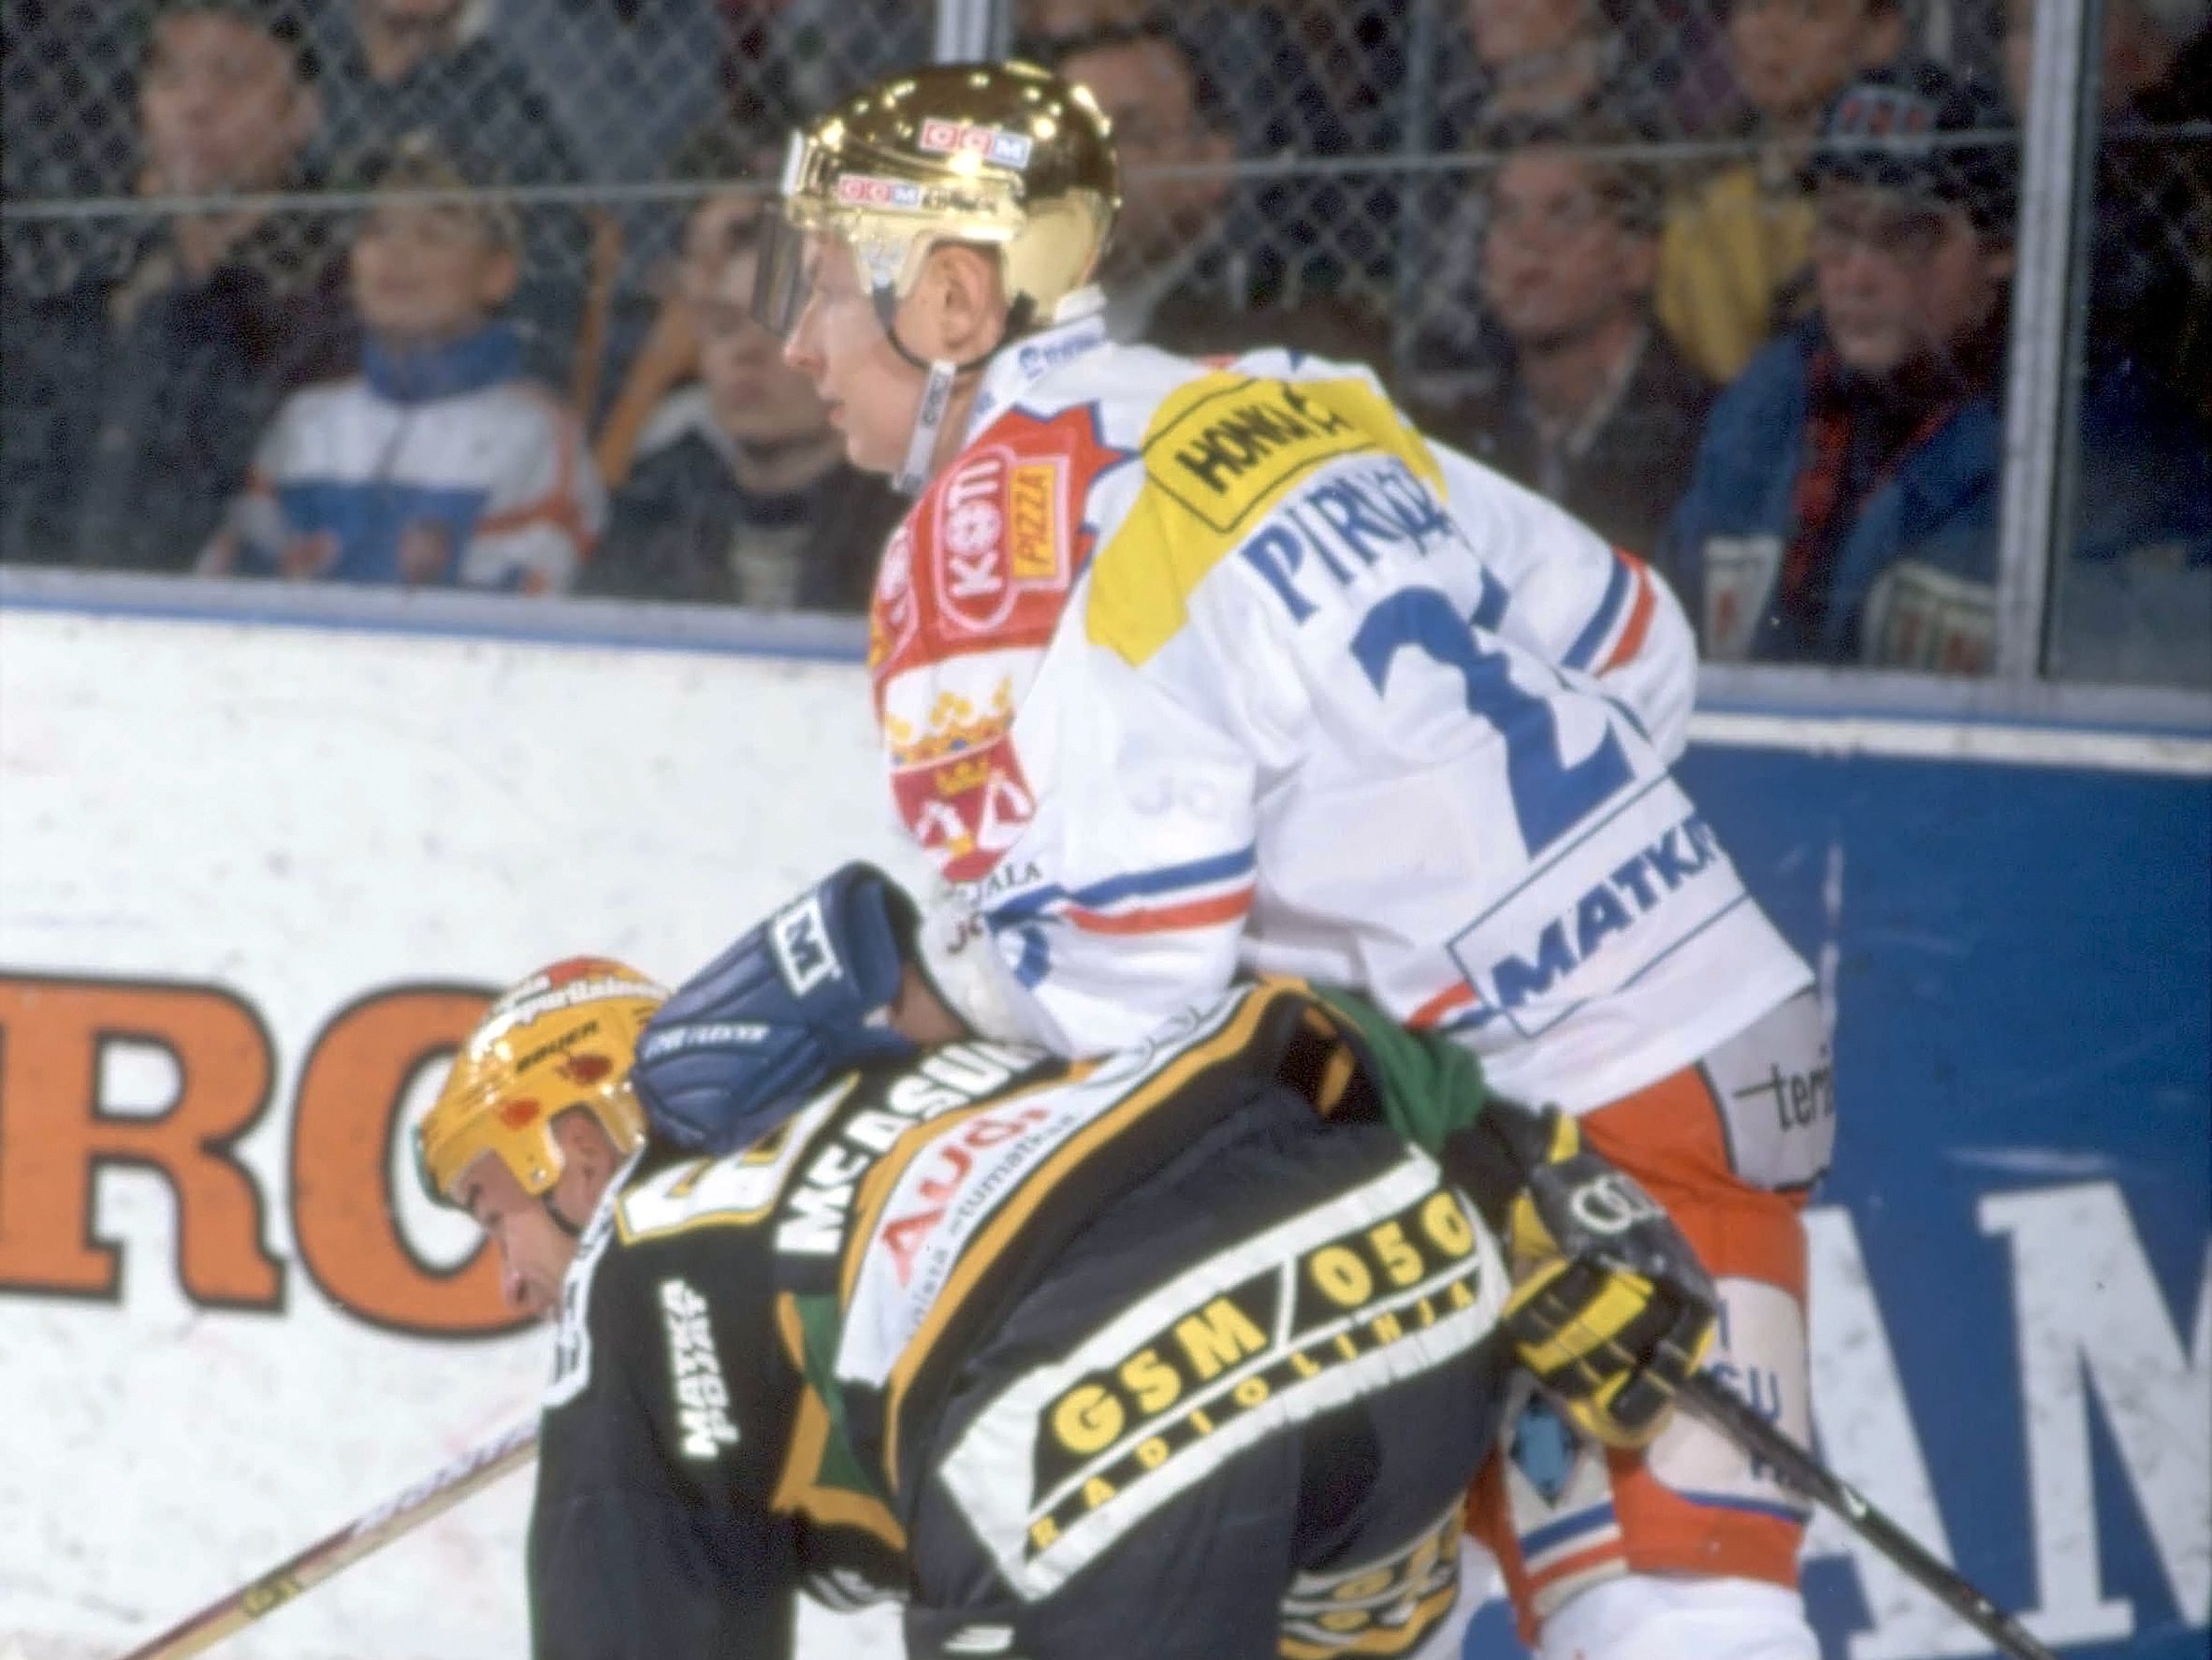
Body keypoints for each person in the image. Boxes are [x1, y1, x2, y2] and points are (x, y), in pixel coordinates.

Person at [655, 60, 1837, 1660]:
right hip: (1712, 1029)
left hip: (1554, 1113)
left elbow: (1119, 984)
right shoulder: (1288, 393)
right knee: (1610, 1595)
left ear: (950, 298)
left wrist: (877, 995)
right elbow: (1638, 645)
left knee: (1636, 1618)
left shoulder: (980, 540)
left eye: (815, 287)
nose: (795, 342)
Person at [415, 945, 1717, 1658]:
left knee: (1026, 1496)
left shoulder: (637, 1247)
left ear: (574, 1149)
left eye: (492, 1209)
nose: (509, 1276)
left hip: (1092, 1426)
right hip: (1401, 1275)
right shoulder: (932, 1052)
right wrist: (1513, 1164)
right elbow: (1265, 1017)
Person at [1660, 61, 2211, 671]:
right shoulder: (1768, 403)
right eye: (1837, 229)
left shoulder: (2094, 438)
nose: (1855, 275)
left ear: (2001, 248)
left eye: (1905, 235)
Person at [0, 0, 350, 573]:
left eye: (233, 77)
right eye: (170, 78)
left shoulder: (330, 283)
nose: (196, 104)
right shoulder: (94, 277)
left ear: (302, 113)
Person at [202, 133, 601, 590]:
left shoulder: (535, 435)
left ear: (497, 273)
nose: (397, 252)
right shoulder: (307, 422)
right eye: (376, 229)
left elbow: (519, 607)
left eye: (433, 234)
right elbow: (228, 588)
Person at [1415, 118, 1713, 557]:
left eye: (1565, 215)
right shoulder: (1465, 434)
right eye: (1507, 214)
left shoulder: (1702, 431)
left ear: (1638, 256)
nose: (1527, 240)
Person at [1024, 12, 1388, 369]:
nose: (1088, 163)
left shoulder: (1276, 326)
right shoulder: (1016, 313)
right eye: (1071, 135)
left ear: (1212, 160)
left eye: (1130, 134)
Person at [581, 225, 901, 609]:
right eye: (725, 326)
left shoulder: (912, 529)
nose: (746, 351)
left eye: (788, 327)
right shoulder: (655, 507)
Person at [1653, 0, 1906, 385]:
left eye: (1807, 11)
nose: (1770, 34)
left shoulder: (1910, 187)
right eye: (1754, 6)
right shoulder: (1703, 193)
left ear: (1879, 33)